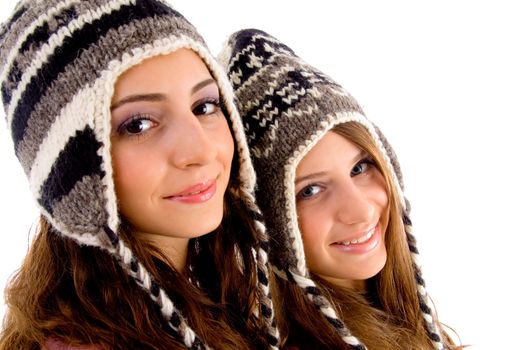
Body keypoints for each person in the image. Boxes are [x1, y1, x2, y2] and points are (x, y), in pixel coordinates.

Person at [0, 2, 279, 350]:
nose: (202, 150)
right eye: (138, 124)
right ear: (70, 169)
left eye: (205, 106)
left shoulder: (217, 300)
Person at [219, 29, 459, 349]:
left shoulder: (407, 317)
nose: (360, 211)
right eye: (311, 190)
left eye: (360, 168)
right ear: (270, 221)